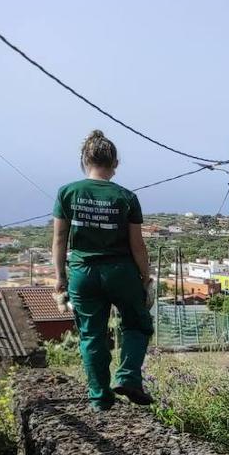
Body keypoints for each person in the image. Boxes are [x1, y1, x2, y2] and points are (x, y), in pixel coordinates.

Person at [52, 130, 155, 412]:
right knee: (137, 323)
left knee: (91, 335)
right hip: (121, 272)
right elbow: (138, 245)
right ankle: (128, 377)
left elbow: (59, 240)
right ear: (115, 163)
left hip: (83, 273)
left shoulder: (67, 192)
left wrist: (60, 278)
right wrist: (145, 278)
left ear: (84, 160)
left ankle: (100, 398)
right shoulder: (126, 197)